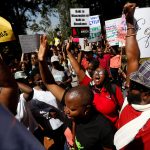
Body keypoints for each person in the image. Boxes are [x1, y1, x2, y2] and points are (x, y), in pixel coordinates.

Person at [38, 35, 116, 150]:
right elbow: (49, 83)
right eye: (66, 106)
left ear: (86, 110)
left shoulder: (104, 128)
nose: (66, 111)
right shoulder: (73, 101)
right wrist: (41, 61)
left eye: (72, 109)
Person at [114, 3, 150, 150]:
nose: (128, 85)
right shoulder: (130, 100)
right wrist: (130, 23)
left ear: (147, 95)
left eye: (135, 86)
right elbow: (132, 58)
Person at [65, 39, 124, 126]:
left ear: (105, 75)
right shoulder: (88, 85)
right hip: (97, 133)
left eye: (100, 73)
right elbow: (78, 69)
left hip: (113, 131)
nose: (97, 75)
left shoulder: (114, 89)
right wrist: (68, 52)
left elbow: (123, 110)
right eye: (95, 73)